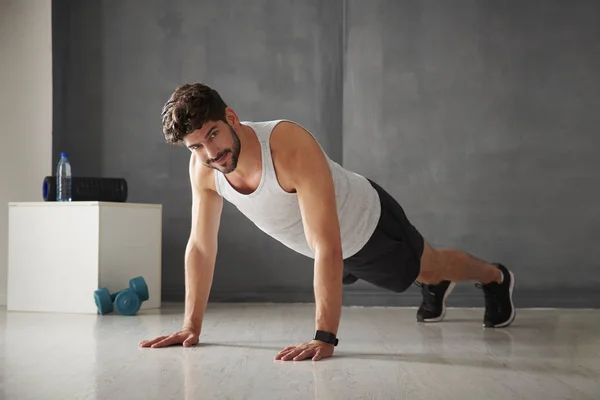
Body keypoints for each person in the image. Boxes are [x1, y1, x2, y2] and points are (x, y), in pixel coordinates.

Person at [139, 83, 516, 361]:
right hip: (326, 251)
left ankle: (494, 277)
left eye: (213, 134)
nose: (211, 153)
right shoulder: (204, 169)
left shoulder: (287, 144)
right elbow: (202, 246)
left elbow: (327, 244)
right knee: (417, 269)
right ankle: (437, 285)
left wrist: (325, 336)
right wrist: (191, 326)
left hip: (366, 226)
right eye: (196, 147)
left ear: (231, 118)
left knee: (430, 266)